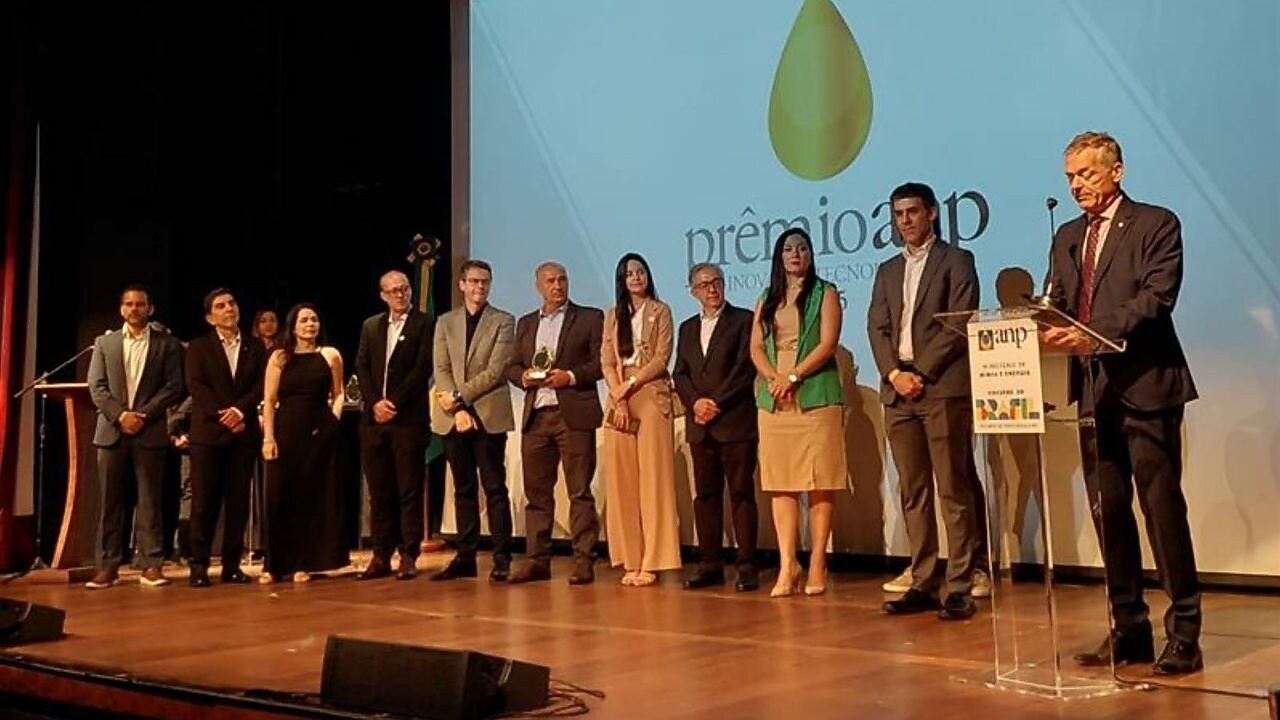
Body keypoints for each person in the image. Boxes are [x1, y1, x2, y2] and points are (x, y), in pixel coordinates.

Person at [1041, 131, 1202, 675]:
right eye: (1070, 177)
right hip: (1093, 390)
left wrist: (1091, 332)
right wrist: (1043, 325)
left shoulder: (1156, 223)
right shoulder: (1067, 236)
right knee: (1108, 514)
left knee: (1162, 511)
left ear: (1117, 171)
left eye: (1086, 174)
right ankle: (1128, 628)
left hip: (1147, 386)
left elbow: (1157, 298)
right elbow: (1060, 303)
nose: (1076, 186)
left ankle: (1184, 634)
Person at [868, 182, 987, 621]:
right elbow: (877, 327)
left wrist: (920, 372)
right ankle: (922, 580)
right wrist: (894, 374)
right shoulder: (887, 270)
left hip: (940, 388)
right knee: (913, 490)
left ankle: (960, 584)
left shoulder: (957, 260)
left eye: (913, 212)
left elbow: (959, 322)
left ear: (932, 213)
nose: (905, 221)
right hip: (897, 390)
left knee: (953, 487)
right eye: (898, 214)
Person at [749, 228, 847, 598]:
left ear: (810, 255)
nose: (795, 254)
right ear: (779, 256)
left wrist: (793, 376)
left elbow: (828, 343)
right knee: (781, 481)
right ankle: (788, 563)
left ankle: (818, 560)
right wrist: (773, 378)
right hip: (775, 397)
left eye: (802, 248)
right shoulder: (767, 297)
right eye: (789, 249)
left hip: (814, 392)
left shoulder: (826, 292)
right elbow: (756, 346)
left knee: (820, 479)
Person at [505, 262, 604, 585]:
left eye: (562, 279)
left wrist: (570, 377)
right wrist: (523, 377)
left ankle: (583, 560)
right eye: (550, 281)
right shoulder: (526, 323)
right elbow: (512, 366)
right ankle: (537, 560)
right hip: (536, 416)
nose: (558, 286)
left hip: (572, 416)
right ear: (538, 286)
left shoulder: (589, 318)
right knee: (537, 495)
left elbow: (600, 364)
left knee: (579, 492)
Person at [85, 284, 185, 589]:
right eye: (128, 304)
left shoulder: (167, 344)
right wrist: (121, 415)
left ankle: (151, 564)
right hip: (112, 432)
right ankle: (108, 566)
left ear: (150, 309)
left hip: (149, 431)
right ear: (121, 309)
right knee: (111, 503)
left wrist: (142, 415)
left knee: (150, 501)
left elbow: (174, 386)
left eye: (140, 304)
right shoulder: (105, 343)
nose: (134, 309)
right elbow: (96, 386)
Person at [673, 262, 759, 592]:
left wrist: (714, 403)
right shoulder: (687, 328)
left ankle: (746, 566)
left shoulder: (743, 320)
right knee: (706, 496)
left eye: (717, 282)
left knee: (741, 494)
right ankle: (709, 564)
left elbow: (744, 369)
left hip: (735, 422)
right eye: (704, 284)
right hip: (700, 426)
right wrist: (696, 402)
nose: (712, 289)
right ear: (693, 291)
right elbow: (680, 373)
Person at [429, 259, 517, 582]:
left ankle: (502, 557)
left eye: (485, 282)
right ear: (462, 285)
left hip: (488, 415)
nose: (481, 287)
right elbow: (441, 368)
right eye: (475, 281)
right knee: (463, 489)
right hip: (454, 418)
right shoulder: (445, 321)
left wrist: (457, 398)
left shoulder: (503, 320)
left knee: (494, 487)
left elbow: (496, 370)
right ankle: (465, 556)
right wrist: (457, 409)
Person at [600, 253, 680, 587]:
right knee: (622, 481)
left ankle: (654, 560)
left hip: (649, 392)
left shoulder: (661, 311)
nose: (636, 277)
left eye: (641, 272)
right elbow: (607, 361)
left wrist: (630, 384)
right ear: (621, 280)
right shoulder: (612, 315)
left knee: (654, 480)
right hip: (619, 397)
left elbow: (662, 358)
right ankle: (631, 558)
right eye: (629, 273)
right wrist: (618, 394)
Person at [353, 270, 434, 581]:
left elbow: (422, 368)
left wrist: (394, 403)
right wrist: (375, 402)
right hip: (373, 422)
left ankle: (408, 554)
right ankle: (380, 554)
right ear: (383, 295)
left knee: (409, 489)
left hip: (408, 420)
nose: (400, 294)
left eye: (404, 288)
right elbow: (361, 365)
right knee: (380, 492)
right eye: (393, 290)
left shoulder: (425, 323)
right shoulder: (371, 325)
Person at [260, 303, 349, 583]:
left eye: (314, 319)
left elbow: (339, 392)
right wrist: (268, 437)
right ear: (293, 326)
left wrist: (333, 421)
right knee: (279, 496)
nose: (310, 324)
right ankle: (273, 565)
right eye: (304, 320)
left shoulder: (330, 355)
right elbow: (269, 400)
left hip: (319, 433)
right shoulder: (279, 356)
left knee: (310, 498)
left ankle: (303, 563)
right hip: (286, 432)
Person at [184, 288, 267, 587]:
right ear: (210, 317)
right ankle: (198, 566)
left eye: (232, 303)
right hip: (208, 434)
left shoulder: (255, 347)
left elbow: (261, 385)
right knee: (203, 503)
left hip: (242, 433)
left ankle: (232, 565)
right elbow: (196, 385)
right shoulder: (198, 347)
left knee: (238, 503)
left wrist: (239, 411)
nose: (229, 309)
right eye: (221, 306)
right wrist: (224, 415)